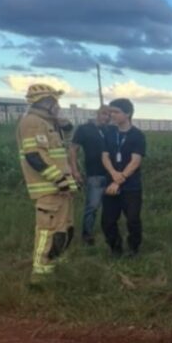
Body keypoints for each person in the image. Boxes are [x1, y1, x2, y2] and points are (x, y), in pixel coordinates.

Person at [16, 83, 79, 282]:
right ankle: (40, 273)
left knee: (64, 227)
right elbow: (34, 156)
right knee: (47, 230)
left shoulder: (48, 123)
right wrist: (59, 179)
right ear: (46, 103)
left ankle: (56, 262)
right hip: (49, 188)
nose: (58, 106)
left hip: (60, 188)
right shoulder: (32, 122)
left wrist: (63, 123)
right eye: (55, 102)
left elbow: (65, 138)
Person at [100, 98, 146, 257]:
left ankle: (134, 248)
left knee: (133, 219)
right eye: (111, 112)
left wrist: (120, 178)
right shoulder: (109, 133)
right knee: (108, 221)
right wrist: (113, 175)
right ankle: (115, 248)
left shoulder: (137, 135)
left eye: (116, 112)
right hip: (111, 184)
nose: (112, 115)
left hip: (131, 186)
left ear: (128, 113)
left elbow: (135, 161)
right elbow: (105, 156)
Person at [70, 105, 111, 245]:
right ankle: (87, 234)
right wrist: (75, 171)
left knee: (110, 206)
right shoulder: (84, 129)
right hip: (94, 174)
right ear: (98, 113)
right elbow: (73, 149)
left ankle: (109, 231)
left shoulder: (110, 130)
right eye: (104, 114)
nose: (106, 117)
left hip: (112, 174)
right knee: (92, 206)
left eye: (109, 115)